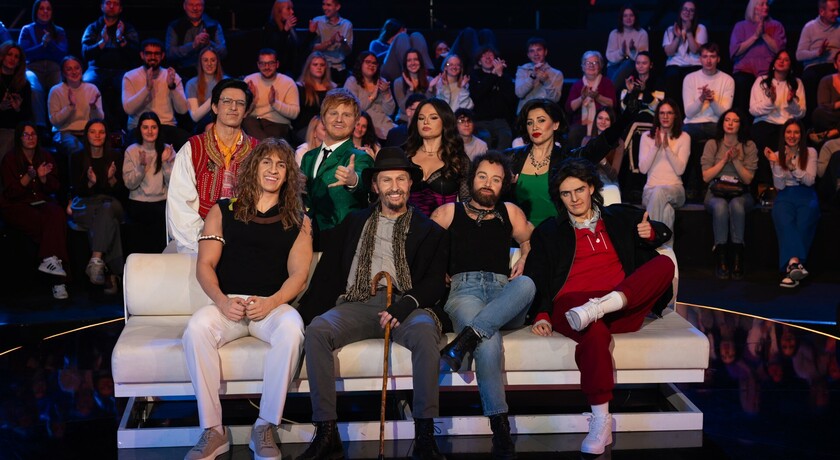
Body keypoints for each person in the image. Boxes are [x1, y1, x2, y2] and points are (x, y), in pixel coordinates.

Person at [296, 146, 448, 460]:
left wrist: (406, 305)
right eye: (386, 180)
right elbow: (327, 270)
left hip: (407, 305)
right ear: (376, 186)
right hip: (359, 301)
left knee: (424, 332)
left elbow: (434, 281)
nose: (395, 186)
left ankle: (424, 434)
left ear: (410, 184)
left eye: (401, 179)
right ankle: (326, 432)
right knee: (318, 330)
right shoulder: (355, 222)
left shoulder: (429, 230)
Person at [525, 157, 675, 456]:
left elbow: (661, 230)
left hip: (620, 303)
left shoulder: (619, 216)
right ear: (559, 197)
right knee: (592, 331)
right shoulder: (550, 231)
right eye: (566, 194)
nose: (574, 199)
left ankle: (604, 304)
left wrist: (652, 233)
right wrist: (541, 313)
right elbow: (537, 274)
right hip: (573, 306)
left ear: (591, 187)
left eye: (579, 190)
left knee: (664, 264)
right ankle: (600, 419)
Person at [182, 138, 311, 460]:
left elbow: (298, 275)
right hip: (229, 305)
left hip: (271, 306)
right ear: (254, 167)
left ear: (288, 174)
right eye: (266, 162)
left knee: (292, 328)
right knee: (196, 328)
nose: (273, 170)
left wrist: (272, 302)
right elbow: (205, 265)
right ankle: (213, 430)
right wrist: (222, 301)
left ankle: (264, 425)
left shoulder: (299, 218)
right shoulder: (223, 209)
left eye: (281, 165)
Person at [431, 151, 534, 459]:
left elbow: (532, 239)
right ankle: (500, 425)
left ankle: (466, 339)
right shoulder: (448, 212)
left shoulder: (510, 212)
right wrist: (438, 268)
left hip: (504, 293)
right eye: (483, 176)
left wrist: (525, 255)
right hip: (465, 291)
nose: (488, 183)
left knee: (527, 284)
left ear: (504, 185)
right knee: (488, 340)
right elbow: (424, 249)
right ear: (472, 179)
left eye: (496, 179)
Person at [167, 78, 257, 253]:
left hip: (246, 240)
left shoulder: (257, 151)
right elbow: (180, 205)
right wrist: (204, 242)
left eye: (240, 103)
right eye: (227, 101)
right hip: (198, 241)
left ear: (246, 111)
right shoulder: (193, 148)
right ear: (215, 107)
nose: (233, 107)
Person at [504, 99, 621, 228]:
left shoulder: (566, 159)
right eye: (530, 122)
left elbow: (596, 148)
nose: (534, 127)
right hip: (518, 234)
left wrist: (626, 118)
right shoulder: (510, 158)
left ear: (555, 124)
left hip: (555, 233)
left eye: (541, 120)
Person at [0, 122, 68, 299]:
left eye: (33, 134)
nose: (30, 138)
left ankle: (49, 261)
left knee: (57, 214)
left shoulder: (45, 156)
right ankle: (58, 282)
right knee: (50, 227)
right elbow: (10, 193)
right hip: (17, 205)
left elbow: (55, 187)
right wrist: (29, 177)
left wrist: (43, 178)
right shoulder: (10, 159)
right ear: (19, 138)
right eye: (26, 135)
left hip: (41, 202)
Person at [299, 87, 374, 245]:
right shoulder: (308, 157)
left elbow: (363, 181)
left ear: (355, 121)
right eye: (333, 113)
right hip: (307, 239)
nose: (339, 119)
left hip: (343, 241)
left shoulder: (360, 157)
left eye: (346, 115)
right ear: (323, 118)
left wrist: (353, 180)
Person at [67, 119, 125, 294]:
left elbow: (122, 192)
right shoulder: (77, 156)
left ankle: (96, 259)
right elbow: (76, 189)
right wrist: (90, 184)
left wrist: (111, 179)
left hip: (111, 203)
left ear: (106, 135)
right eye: (93, 132)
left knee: (107, 207)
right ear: (86, 135)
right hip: (87, 204)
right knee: (108, 220)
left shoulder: (115, 156)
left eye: (101, 132)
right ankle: (113, 274)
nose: (97, 135)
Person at [700, 109, 758, 280]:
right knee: (720, 206)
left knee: (736, 205)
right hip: (715, 191)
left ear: (741, 125)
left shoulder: (749, 146)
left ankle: (738, 256)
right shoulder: (713, 144)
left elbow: (748, 179)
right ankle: (721, 257)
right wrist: (724, 160)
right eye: (727, 120)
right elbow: (706, 177)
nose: (730, 123)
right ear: (722, 123)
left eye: (735, 120)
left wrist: (736, 160)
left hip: (740, 192)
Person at [764, 119, 819, 288]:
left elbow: (810, 181)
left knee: (803, 221)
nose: (792, 136)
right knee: (784, 220)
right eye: (789, 132)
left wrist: (792, 167)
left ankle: (791, 267)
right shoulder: (776, 154)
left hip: (806, 193)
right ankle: (795, 265)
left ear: (801, 135)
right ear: (784, 135)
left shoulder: (810, 152)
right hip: (785, 193)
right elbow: (779, 185)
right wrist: (776, 163)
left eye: (796, 132)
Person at [682, 43, 734, 200]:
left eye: (712, 56)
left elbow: (725, 114)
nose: (709, 60)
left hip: (716, 123)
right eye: (705, 56)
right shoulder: (690, 78)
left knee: (718, 139)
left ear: (718, 59)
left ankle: (708, 186)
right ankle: (691, 186)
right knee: (684, 137)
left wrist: (712, 101)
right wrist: (701, 99)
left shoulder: (727, 80)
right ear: (700, 59)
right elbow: (688, 113)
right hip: (692, 123)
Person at [749, 50, 806, 188]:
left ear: (790, 65)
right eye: (779, 58)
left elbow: (802, 113)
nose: (781, 61)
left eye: (786, 60)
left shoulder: (797, 83)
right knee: (760, 136)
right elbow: (753, 110)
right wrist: (771, 101)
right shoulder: (761, 81)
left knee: (788, 136)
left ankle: (785, 184)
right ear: (773, 63)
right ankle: (763, 185)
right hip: (765, 122)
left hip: (786, 124)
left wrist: (791, 102)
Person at [405, 97, 471, 217]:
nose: (426, 122)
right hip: (407, 225)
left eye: (433, 118)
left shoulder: (459, 159)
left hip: (445, 227)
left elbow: (467, 203)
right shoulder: (405, 155)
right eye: (421, 118)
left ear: (445, 121)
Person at [81, 0, 140, 131]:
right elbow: (85, 53)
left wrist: (121, 39)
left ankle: (122, 128)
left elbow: (136, 54)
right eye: (108, 3)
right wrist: (102, 42)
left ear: (120, 8)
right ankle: (97, 125)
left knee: (129, 85)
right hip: (96, 69)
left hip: (121, 69)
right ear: (102, 6)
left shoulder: (127, 28)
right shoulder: (93, 27)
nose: (112, 6)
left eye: (116, 4)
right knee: (87, 84)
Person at [121, 38, 190, 149]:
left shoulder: (172, 76)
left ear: (162, 56)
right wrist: (147, 88)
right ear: (142, 55)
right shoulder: (130, 76)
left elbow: (183, 110)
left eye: (156, 54)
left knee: (188, 144)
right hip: (139, 127)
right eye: (148, 53)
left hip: (166, 125)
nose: (152, 57)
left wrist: (172, 87)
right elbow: (128, 109)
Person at [122, 112, 175, 254]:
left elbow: (174, 184)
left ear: (159, 129)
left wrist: (165, 163)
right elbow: (129, 184)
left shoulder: (167, 150)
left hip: (161, 205)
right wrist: (141, 167)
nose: (150, 131)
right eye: (145, 127)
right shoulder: (132, 151)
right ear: (139, 129)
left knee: (159, 251)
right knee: (139, 251)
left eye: (153, 127)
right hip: (138, 205)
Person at [639, 99, 691, 236]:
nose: (665, 116)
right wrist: (656, 147)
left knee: (660, 191)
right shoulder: (646, 137)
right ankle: (665, 248)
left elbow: (680, 170)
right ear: (657, 116)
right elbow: (643, 169)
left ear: (675, 116)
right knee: (667, 211)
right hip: (650, 191)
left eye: (669, 113)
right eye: (662, 113)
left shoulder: (684, 137)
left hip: (675, 190)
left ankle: (650, 238)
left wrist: (667, 148)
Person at [18, 0, 69, 133]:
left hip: (54, 67)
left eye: (48, 9)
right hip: (32, 67)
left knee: (59, 87)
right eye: (42, 8)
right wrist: (42, 46)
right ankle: (40, 127)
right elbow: (24, 53)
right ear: (36, 11)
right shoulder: (27, 30)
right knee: (35, 89)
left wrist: (50, 43)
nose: (45, 11)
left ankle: (60, 126)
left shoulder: (59, 31)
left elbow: (62, 54)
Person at [729, 0, 786, 116]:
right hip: (745, 70)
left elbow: (779, 51)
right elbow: (735, 52)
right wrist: (755, 36)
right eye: (762, 4)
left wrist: (763, 34)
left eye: (767, 4)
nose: (766, 7)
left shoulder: (776, 25)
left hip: (767, 72)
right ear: (754, 7)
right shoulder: (740, 26)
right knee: (742, 84)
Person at [48, 56, 103, 158]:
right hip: (64, 132)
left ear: (81, 69)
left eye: (77, 68)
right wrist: (70, 106)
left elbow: (99, 119)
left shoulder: (92, 89)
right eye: (69, 69)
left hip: (87, 132)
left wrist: (93, 107)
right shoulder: (56, 90)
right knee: (77, 149)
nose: (74, 72)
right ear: (63, 73)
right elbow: (54, 121)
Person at [243, 48, 300, 141]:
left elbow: (294, 113)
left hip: (277, 123)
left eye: (271, 63)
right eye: (263, 63)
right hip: (253, 122)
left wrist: (274, 103)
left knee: (273, 133)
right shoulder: (249, 80)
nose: (267, 67)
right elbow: (242, 112)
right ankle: (268, 147)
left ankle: (267, 147)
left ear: (277, 64)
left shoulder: (288, 82)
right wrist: (252, 99)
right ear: (258, 65)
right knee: (247, 121)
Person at [796, 0, 840, 121]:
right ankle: (812, 121)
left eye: (838, 10)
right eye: (833, 10)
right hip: (814, 65)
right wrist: (817, 53)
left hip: (834, 65)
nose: (837, 13)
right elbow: (799, 55)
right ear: (822, 11)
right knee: (809, 79)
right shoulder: (809, 27)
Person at [164, 0, 226, 80]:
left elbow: (223, 52)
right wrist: (193, 45)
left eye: (198, 5)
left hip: (210, 73)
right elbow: (169, 53)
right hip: (182, 74)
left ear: (203, 6)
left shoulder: (214, 25)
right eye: (191, 4)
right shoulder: (174, 26)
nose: (195, 8)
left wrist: (209, 43)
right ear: (184, 6)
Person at [566, 51, 615, 149]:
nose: (591, 65)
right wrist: (582, 97)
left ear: (600, 66)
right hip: (582, 124)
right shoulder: (577, 85)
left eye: (595, 63)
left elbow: (612, 104)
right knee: (573, 133)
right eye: (588, 63)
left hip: (601, 122)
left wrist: (597, 96)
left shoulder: (607, 83)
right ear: (583, 67)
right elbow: (569, 108)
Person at [662, 1, 707, 109]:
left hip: (693, 65)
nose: (687, 12)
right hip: (674, 65)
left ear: (695, 14)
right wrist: (677, 37)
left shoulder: (701, 28)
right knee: (672, 76)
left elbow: (695, 50)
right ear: (680, 11)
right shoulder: (670, 30)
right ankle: (674, 112)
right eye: (685, 9)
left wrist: (689, 32)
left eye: (691, 10)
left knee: (690, 78)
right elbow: (669, 52)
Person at [470, 46, 516, 150]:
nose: (488, 57)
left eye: (490, 55)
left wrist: (500, 75)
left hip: (500, 120)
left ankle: (500, 160)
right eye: (484, 55)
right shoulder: (475, 76)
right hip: (481, 121)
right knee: (485, 138)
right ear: (479, 62)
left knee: (506, 136)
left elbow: (511, 98)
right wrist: (493, 75)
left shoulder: (504, 77)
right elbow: (477, 94)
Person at [343, 51, 395, 141]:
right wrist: (372, 97)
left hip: (384, 124)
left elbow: (390, 111)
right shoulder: (352, 82)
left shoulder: (382, 82)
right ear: (361, 64)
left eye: (374, 63)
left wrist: (386, 93)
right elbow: (353, 109)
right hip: (363, 127)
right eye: (368, 62)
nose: (371, 65)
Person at [370, 18, 434, 82]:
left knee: (416, 35)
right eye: (401, 31)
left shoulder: (406, 42)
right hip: (389, 70)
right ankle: (408, 73)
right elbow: (374, 59)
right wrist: (394, 45)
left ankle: (425, 72)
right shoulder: (377, 43)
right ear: (393, 31)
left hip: (406, 69)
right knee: (402, 37)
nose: (404, 32)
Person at [292, 51, 334, 145]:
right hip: (304, 128)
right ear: (309, 67)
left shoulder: (333, 88)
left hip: (326, 127)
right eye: (315, 64)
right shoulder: (300, 87)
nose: (319, 67)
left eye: (322, 65)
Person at [0, 43, 33, 159]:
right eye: (9, 54)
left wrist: (18, 109)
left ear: (19, 62)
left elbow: (28, 116)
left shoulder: (24, 84)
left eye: (16, 57)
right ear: (2, 56)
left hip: (13, 128)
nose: (12, 59)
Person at [514, 37, 563, 114]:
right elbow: (519, 94)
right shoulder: (523, 70)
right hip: (525, 114)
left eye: (539, 50)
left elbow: (555, 99)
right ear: (528, 55)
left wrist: (547, 81)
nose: (536, 54)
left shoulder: (556, 73)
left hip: (546, 114)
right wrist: (532, 76)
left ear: (545, 52)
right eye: (532, 51)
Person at [605, 5, 649, 89]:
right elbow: (610, 57)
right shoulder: (614, 33)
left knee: (628, 63)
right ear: (621, 18)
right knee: (612, 72)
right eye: (625, 16)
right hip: (614, 65)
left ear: (635, 17)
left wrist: (633, 50)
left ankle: (610, 91)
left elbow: (644, 57)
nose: (628, 18)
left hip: (632, 65)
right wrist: (621, 51)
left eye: (631, 15)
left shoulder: (642, 33)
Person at [309, 0, 352, 85]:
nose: (324, 8)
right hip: (322, 68)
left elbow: (348, 51)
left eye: (328, 5)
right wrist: (330, 42)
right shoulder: (317, 21)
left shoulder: (347, 24)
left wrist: (343, 41)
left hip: (340, 69)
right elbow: (313, 49)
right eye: (323, 4)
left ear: (337, 7)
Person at [582, 106, 624, 189]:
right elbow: (581, 167)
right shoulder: (586, 140)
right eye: (600, 118)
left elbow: (614, 176)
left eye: (607, 119)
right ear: (596, 120)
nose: (603, 122)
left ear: (612, 123)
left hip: (608, 182)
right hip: (589, 180)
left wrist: (603, 161)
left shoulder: (619, 143)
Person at [185, 47, 225, 134]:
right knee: (212, 127)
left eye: (213, 60)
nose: (209, 64)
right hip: (203, 123)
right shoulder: (192, 84)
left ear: (217, 62)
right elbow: (195, 117)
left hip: (225, 120)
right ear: (200, 63)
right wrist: (214, 97)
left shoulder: (226, 81)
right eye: (205, 60)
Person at [262, 0, 302, 79]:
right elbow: (274, 49)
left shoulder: (290, 27)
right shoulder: (270, 27)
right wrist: (285, 31)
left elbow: (298, 50)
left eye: (292, 9)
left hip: (292, 72)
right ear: (279, 11)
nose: (292, 12)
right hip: (278, 72)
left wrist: (311, 34)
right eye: (288, 9)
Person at [392, 48, 433, 124]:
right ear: (405, 63)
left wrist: (430, 89)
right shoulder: (398, 82)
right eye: (409, 60)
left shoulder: (430, 80)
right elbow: (403, 109)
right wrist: (411, 90)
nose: (413, 63)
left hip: (424, 120)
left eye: (416, 59)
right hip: (405, 120)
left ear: (420, 62)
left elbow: (429, 106)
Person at [811, 51, 840, 141]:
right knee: (818, 113)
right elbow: (823, 106)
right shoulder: (826, 80)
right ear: (835, 65)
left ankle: (835, 132)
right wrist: (838, 104)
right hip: (833, 117)